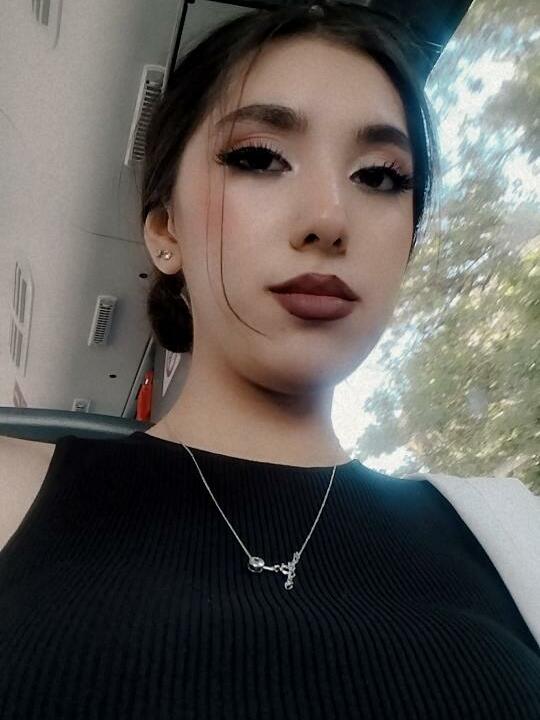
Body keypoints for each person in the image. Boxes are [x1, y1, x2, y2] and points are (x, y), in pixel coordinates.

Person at [1, 4, 538, 719]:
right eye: (258, 158)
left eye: (381, 176)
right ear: (165, 229)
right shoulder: (11, 492)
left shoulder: (511, 540)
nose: (329, 218)